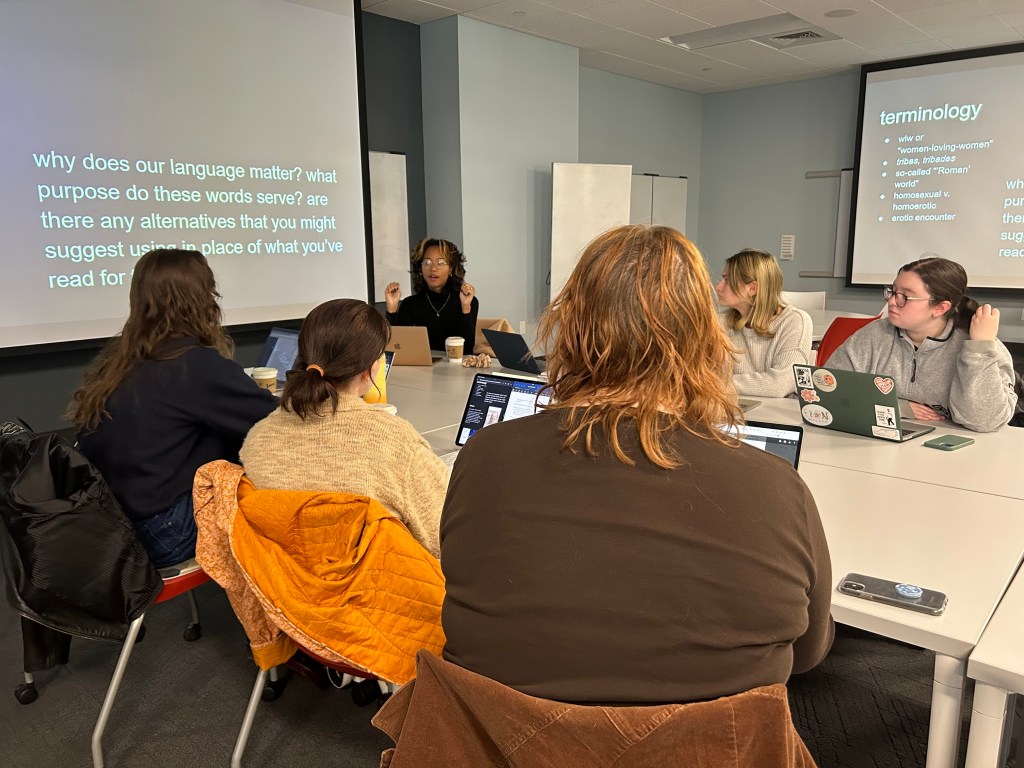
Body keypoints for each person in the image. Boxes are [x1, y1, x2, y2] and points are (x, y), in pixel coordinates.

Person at [440, 225, 834, 704]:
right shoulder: (776, 487)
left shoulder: (483, 458)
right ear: (705, 337)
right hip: (708, 740)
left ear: (572, 326)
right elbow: (809, 651)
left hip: (503, 731)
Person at [68, 249, 276, 568]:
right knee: (279, 492)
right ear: (201, 298)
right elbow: (276, 423)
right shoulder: (193, 364)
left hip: (113, 523)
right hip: (163, 531)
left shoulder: (120, 361)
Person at [240, 298, 447, 557]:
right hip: (374, 581)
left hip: (281, 581)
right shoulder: (396, 443)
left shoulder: (257, 438)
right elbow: (449, 537)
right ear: (372, 368)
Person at [827, 256, 1017, 433]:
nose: (892, 301)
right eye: (893, 291)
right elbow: (828, 390)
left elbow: (984, 422)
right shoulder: (873, 335)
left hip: (962, 447)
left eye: (905, 296)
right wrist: (896, 406)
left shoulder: (982, 347)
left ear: (940, 308)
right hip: (885, 441)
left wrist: (980, 349)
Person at [716, 248, 812, 397]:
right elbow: (702, 373)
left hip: (778, 410)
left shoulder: (795, 321)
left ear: (752, 288)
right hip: (733, 405)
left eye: (726, 280)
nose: (718, 287)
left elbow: (780, 384)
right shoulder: (720, 321)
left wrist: (715, 384)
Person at [385, 237, 478, 354]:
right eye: (427, 262)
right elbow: (395, 348)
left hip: (456, 364)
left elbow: (467, 350)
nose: (433, 268)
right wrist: (391, 309)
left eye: (440, 263)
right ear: (420, 268)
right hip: (421, 364)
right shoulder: (410, 304)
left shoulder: (467, 300)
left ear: (451, 269)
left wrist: (466, 307)